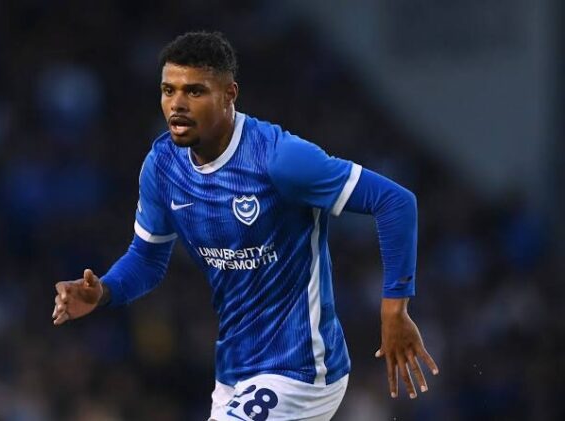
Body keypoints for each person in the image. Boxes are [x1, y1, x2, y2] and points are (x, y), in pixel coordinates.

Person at [52, 31, 439, 421]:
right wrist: (104, 291)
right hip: (234, 376)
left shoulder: (280, 160)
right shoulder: (162, 166)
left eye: (195, 91)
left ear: (229, 94)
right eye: (169, 91)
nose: (178, 104)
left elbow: (394, 201)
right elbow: (147, 258)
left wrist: (394, 310)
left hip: (302, 369)